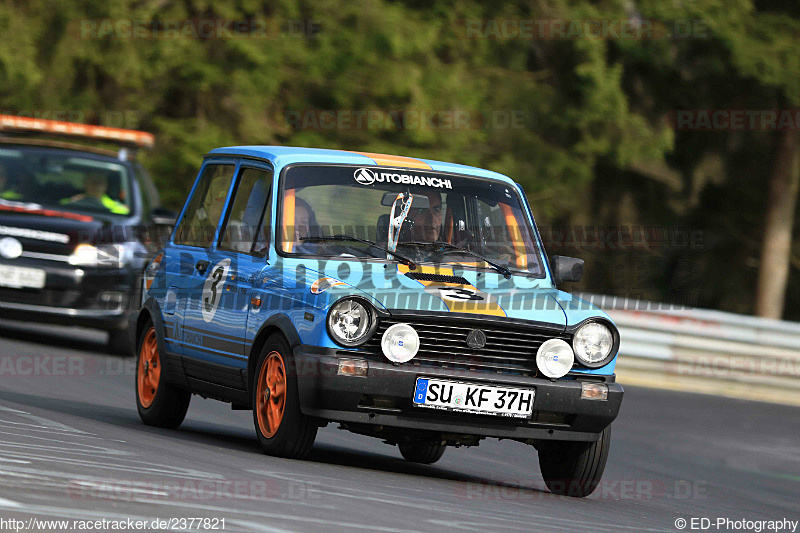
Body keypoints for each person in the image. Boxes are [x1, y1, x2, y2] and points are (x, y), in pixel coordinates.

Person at [62, 170, 129, 214]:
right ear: (85, 183)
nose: (96, 185)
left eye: (100, 182)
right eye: (93, 182)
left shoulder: (118, 208)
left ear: (106, 185)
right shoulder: (70, 203)